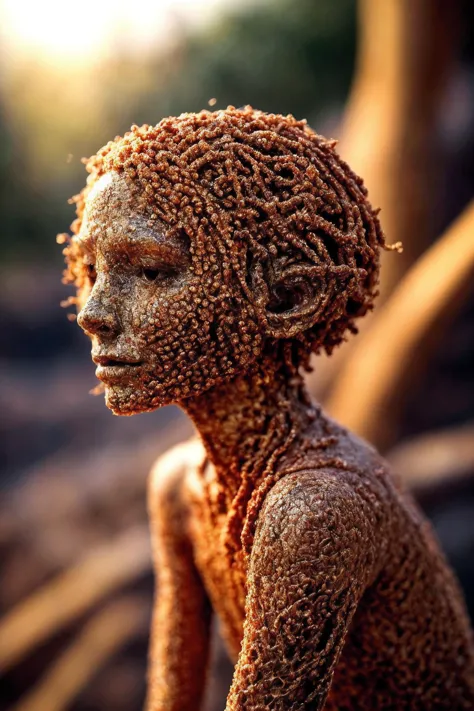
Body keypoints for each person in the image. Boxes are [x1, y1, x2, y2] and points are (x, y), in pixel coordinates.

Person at [61, 107, 474, 710]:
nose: (92, 311)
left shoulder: (317, 507)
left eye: (150, 271)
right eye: (93, 270)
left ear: (287, 296)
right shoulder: (180, 487)